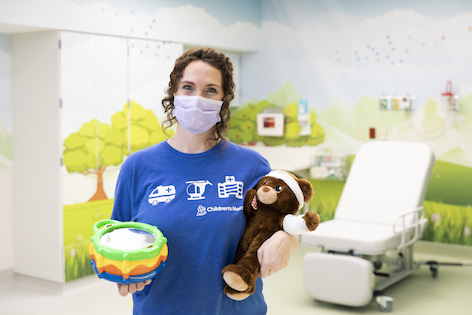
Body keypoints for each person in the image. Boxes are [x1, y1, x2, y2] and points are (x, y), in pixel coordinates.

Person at [111, 47, 298, 315]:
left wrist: (286, 240)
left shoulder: (251, 165)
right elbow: (116, 241)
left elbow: (283, 225)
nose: (198, 98)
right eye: (188, 87)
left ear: (224, 98)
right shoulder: (138, 167)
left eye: (210, 90)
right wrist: (122, 272)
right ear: (173, 92)